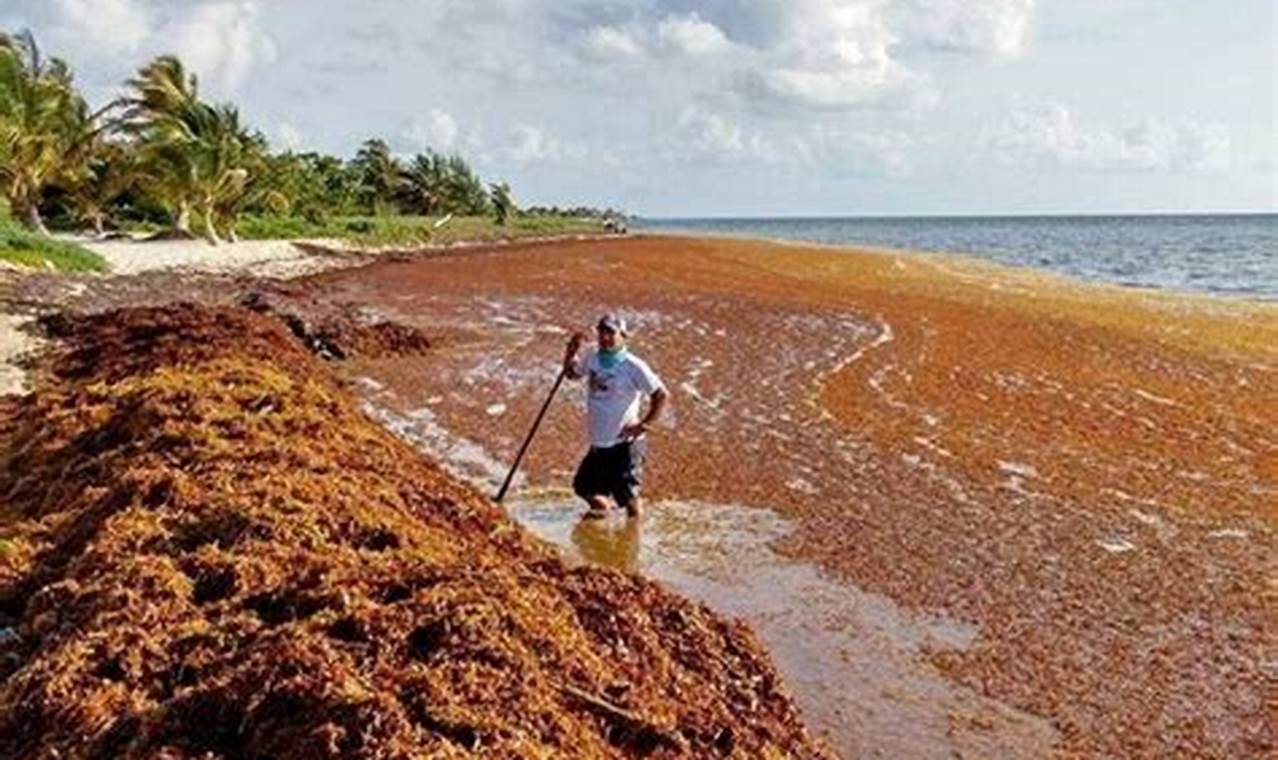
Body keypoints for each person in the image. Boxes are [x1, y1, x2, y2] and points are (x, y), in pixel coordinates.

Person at [563, 313, 667, 518]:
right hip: (599, 442)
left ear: (623, 336)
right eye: (602, 332)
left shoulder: (633, 366)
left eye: (611, 333)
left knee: (629, 499)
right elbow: (572, 374)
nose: (605, 337)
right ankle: (604, 511)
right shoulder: (592, 357)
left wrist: (644, 425)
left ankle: (634, 539)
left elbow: (661, 394)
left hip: (625, 444)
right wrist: (570, 352)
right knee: (584, 487)